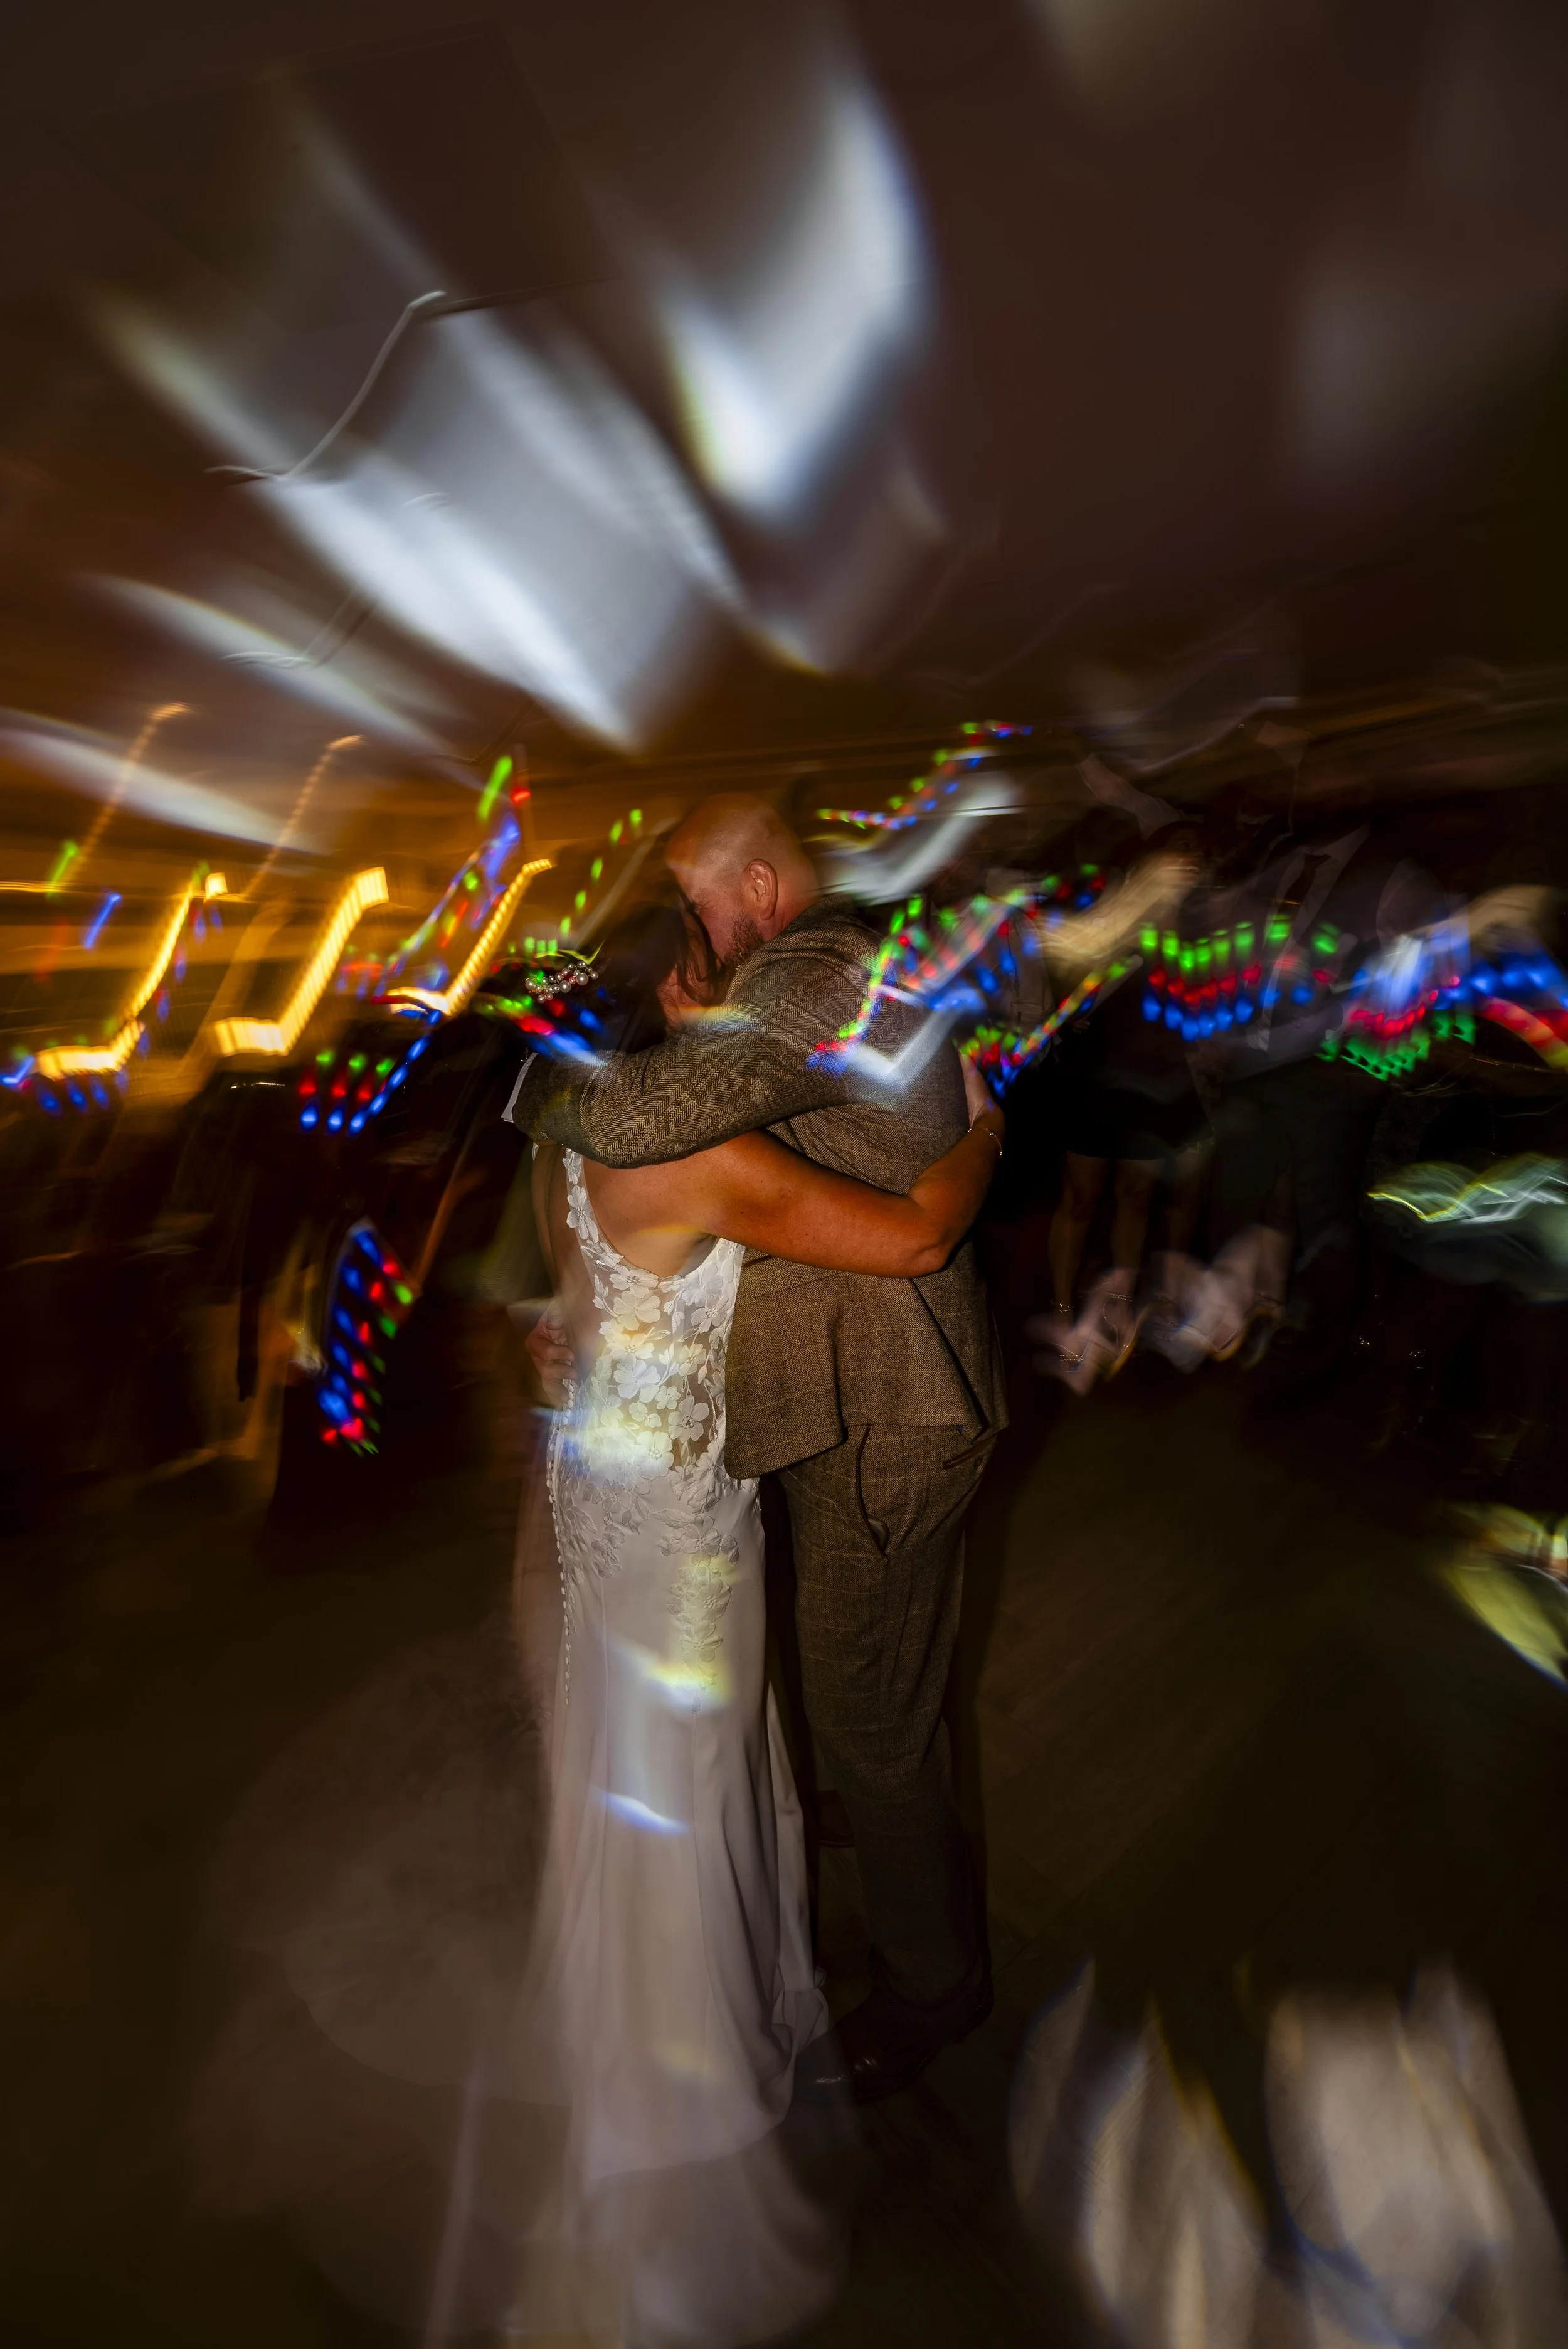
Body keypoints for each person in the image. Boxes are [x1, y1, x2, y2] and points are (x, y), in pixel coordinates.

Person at [511, 795, 1007, 2105]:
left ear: (763, 888)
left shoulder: (816, 971)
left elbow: (622, 1126)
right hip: (813, 1403)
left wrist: (560, 1056)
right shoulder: (776, 1001)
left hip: (886, 1408)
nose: (696, 932)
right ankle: (864, 1885)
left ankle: (929, 1988)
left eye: (703, 900)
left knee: (868, 1720)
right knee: (831, 1690)